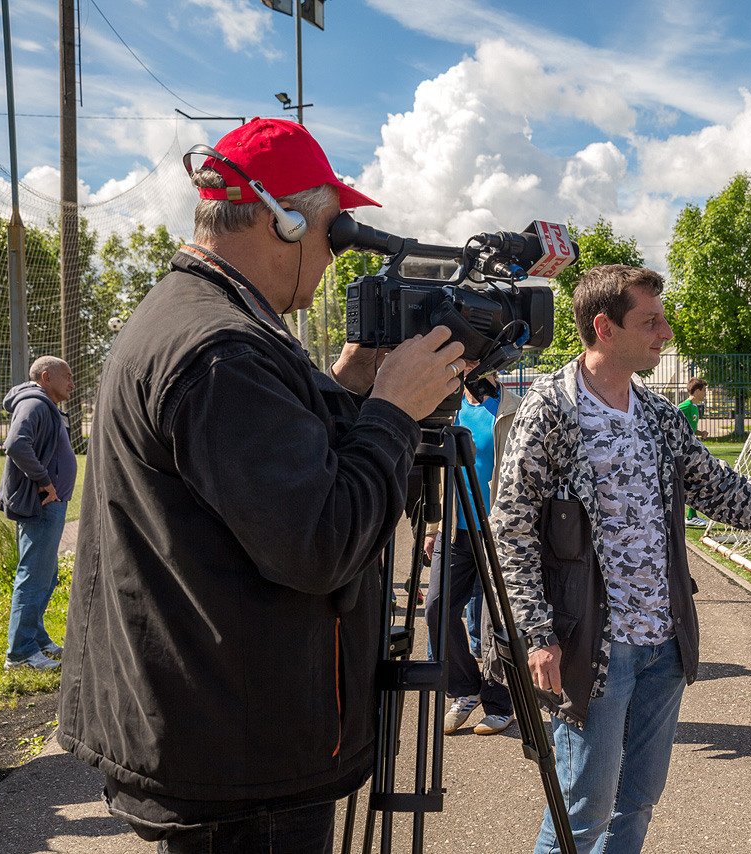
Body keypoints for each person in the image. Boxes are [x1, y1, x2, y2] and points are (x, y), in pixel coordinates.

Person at [56, 117, 468, 853]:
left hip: (219, 733)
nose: (334, 258)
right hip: (237, 765)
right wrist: (393, 413)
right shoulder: (222, 350)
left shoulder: (202, 316)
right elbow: (321, 541)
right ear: (284, 223)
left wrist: (347, 388)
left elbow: (259, 471)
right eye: (333, 235)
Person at [489, 264, 751, 854]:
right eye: (651, 321)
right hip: (593, 645)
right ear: (604, 327)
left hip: (664, 645)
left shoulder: (660, 417)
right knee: (582, 811)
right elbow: (511, 529)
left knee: (637, 803)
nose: (665, 333)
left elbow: (724, 492)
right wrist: (537, 634)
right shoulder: (549, 412)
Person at [424, 371, 521, 736]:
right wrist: (432, 529)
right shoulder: (450, 411)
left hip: (498, 532)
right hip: (455, 531)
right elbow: (435, 473)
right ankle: (465, 690)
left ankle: (500, 702)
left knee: (494, 619)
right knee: (437, 607)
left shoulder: (510, 409)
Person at [0, 356, 76, 672]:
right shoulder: (35, 404)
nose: (72, 383)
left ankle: (37, 639)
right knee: (34, 576)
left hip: (47, 505)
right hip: (42, 504)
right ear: (46, 377)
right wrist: (45, 482)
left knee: (46, 574)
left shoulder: (43, 403)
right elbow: (16, 444)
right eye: (67, 376)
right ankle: (21, 654)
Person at [678, 377, 708, 522]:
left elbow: (689, 426)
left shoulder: (695, 407)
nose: (705, 394)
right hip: (684, 450)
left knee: (697, 478)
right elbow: (674, 415)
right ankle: (690, 516)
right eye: (704, 390)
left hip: (692, 447)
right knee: (693, 479)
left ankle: (692, 515)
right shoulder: (685, 406)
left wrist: (700, 432)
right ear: (696, 391)